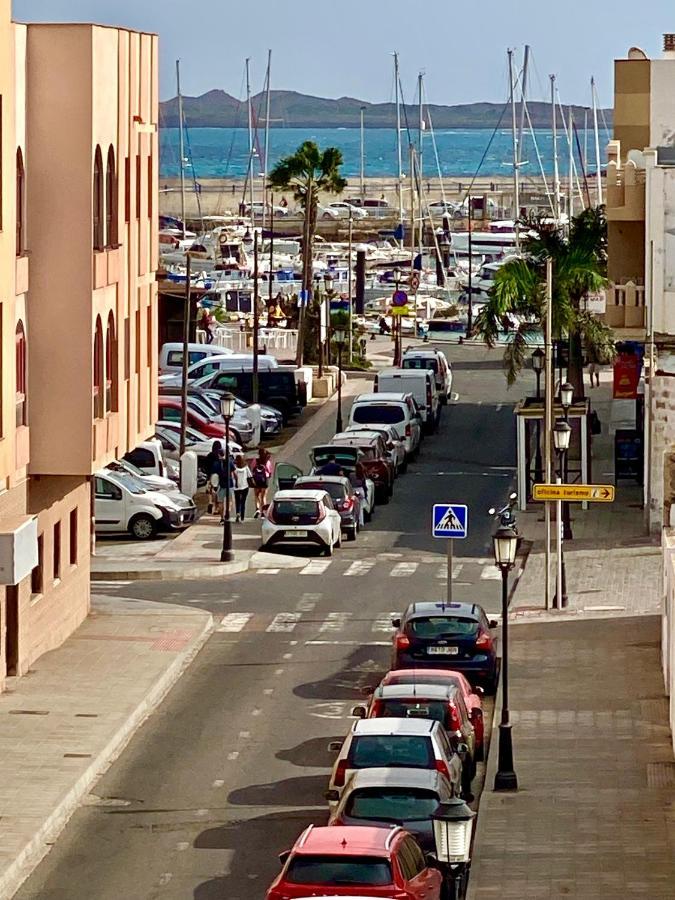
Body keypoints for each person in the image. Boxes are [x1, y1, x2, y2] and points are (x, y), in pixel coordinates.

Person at [251, 448, 273, 518]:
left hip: (257, 480)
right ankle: (263, 512)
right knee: (263, 496)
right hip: (264, 479)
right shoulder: (267, 462)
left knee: (256, 495)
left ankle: (257, 509)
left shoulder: (256, 460)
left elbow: (252, 469)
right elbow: (270, 472)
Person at [204, 440, 224, 515]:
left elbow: (205, 466)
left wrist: (208, 475)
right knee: (217, 491)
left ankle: (210, 502)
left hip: (210, 475)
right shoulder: (219, 456)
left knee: (210, 490)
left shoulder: (209, 455)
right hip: (218, 475)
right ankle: (216, 507)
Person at [232, 454, 253, 522]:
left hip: (237, 486)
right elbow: (250, 475)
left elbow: (232, 476)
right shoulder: (245, 467)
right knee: (243, 502)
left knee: (237, 501)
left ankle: (238, 513)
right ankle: (242, 517)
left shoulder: (234, 467)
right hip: (245, 486)